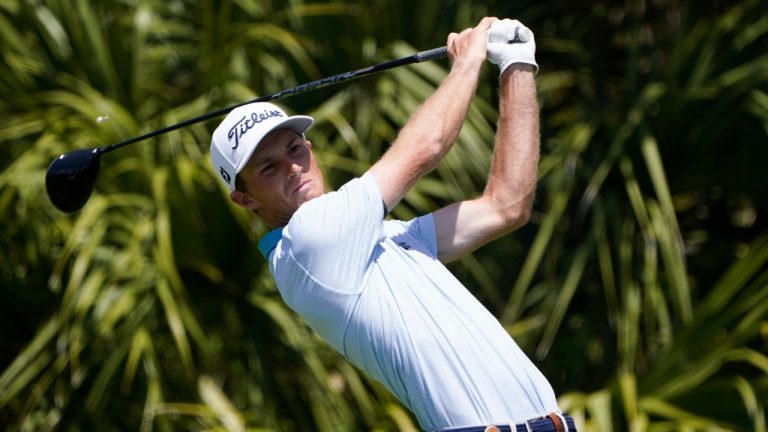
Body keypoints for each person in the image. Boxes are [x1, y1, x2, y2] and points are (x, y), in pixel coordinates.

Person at [210, 16, 574, 432]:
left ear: (309, 147)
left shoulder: (387, 238)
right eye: (269, 167)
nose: (293, 168)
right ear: (244, 199)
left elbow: (506, 205)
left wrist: (517, 65)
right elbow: (427, 146)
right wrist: (468, 61)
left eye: (295, 149)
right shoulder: (308, 242)